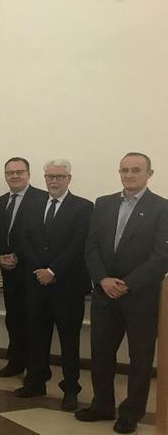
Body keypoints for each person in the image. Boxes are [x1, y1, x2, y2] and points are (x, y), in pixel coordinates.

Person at [75, 153, 168, 434]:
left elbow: (161, 256)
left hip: (140, 296)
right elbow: (90, 247)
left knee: (140, 358)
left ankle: (131, 412)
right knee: (101, 353)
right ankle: (102, 404)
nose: (129, 175)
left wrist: (126, 284)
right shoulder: (103, 204)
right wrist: (103, 279)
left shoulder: (162, 208)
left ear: (149, 173)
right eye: (124, 170)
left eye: (136, 170)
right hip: (104, 294)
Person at [14, 159, 92, 412]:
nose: (54, 181)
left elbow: (78, 245)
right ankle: (36, 381)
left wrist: (53, 270)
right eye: (50, 176)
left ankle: (70, 389)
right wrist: (40, 270)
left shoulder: (83, 207)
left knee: (69, 341)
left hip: (67, 287)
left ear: (69, 178)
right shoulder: (33, 205)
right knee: (36, 336)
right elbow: (23, 238)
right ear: (44, 177)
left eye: (59, 176)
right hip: (37, 284)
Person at [0, 157, 47, 377]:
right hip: (8, 271)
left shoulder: (43, 199)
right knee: (13, 317)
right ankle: (15, 362)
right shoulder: (0, 201)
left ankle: (34, 368)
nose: (14, 176)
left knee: (34, 321)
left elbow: (42, 238)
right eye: (10, 173)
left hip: (32, 270)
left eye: (19, 172)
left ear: (28, 174)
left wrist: (18, 256)